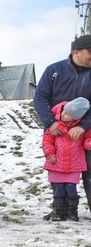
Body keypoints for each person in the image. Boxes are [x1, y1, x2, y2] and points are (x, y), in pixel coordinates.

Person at [34, 34, 91, 216]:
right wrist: (50, 123)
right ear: (77, 52)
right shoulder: (54, 70)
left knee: (89, 173)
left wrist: (83, 126)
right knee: (58, 174)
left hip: (86, 134)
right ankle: (60, 210)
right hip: (57, 133)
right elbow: (40, 98)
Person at [39, 97, 91, 221]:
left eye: (67, 114)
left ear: (76, 117)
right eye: (64, 111)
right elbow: (47, 141)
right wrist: (49, 154)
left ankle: (71, 212)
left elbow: (86, 141)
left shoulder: (81, 128)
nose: (63, 114)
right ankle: (58, 210)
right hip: (56, 162)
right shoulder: (55, 126)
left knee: (71, 189)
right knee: (58, 189)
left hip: (74, 164)